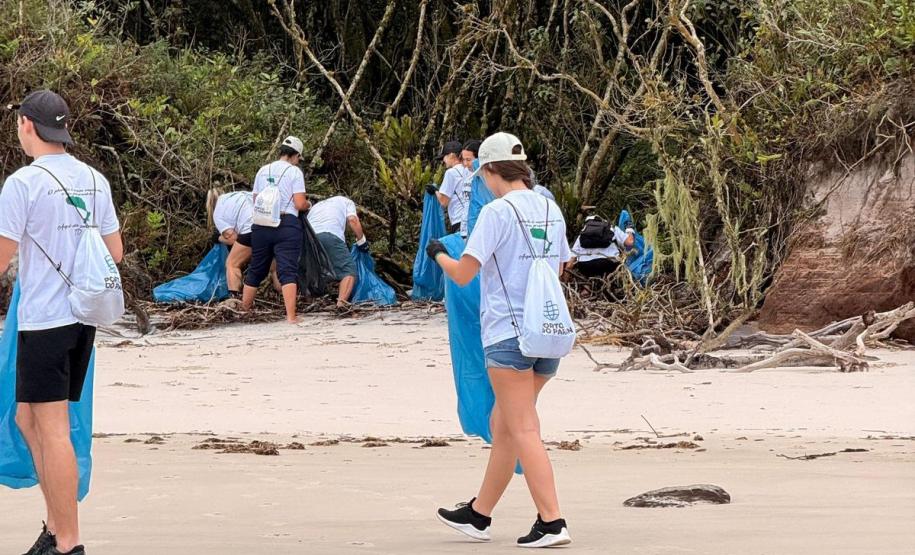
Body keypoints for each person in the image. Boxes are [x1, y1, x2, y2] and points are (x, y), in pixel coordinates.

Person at [426, 132, 573, 548]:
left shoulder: (496, 212)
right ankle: (479, 515)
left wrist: (437, 252)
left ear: (490, 170)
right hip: (547, 334)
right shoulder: (550, 208)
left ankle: (552, 521)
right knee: (503, 425)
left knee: (523, 427)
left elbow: (463, 274)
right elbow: (560, 267)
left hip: (508, 334)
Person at [0, 90, 123, 555]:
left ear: (28, 126)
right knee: (27, 417)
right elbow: (115, 253)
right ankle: (55, 524)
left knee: (50, 428)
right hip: (81, 318)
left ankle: (68, 542)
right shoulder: (94, 179)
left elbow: (2, 257)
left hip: (45, 321)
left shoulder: (24, 183)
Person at [242, 136, 309, 323]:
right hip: (286, 224)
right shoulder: (294, 172)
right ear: (295, 155)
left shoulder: (263, 170)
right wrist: (308, 204)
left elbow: (256, 200)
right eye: (298, 158)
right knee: (287, 269)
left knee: (256, 268)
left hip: (261, 225)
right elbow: (299, 203)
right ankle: (291, 317)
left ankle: (244, 310)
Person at [307, 195, 368, 307]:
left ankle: (311, 302)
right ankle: (341, 305)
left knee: (315, 272)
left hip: (308, 239)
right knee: (349, 271)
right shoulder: (347, 202)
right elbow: (352, 220)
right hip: (329, 234)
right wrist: (361, 240)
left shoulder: (316, 206)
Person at [568, 215, 635, 278]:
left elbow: (571, 261)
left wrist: (565, 279)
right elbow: (629, 242)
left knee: (589, 279)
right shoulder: (612, 228)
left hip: (585, 266)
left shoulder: (582, 234)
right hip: (608, 263)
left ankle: (587, 287)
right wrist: (629, 230)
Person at [428, 140, 471, 233]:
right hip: (471, 218)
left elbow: (444, 201)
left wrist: (435, 190)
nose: (443, 160)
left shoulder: (451, 173)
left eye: (444, 157)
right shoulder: (469, 169)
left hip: (459, 220)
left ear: (451, 155)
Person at [458, 139, 481, 238]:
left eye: (468, 159)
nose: (465, 163)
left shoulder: (485, 176)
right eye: (463, 159)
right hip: (465, 227)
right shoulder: (466, 172)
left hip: (479, 227)